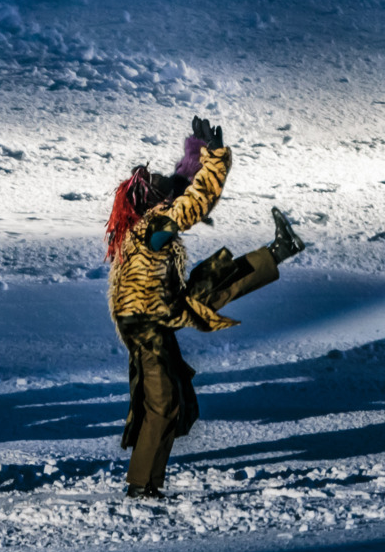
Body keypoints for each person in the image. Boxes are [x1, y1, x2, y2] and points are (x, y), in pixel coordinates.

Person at [105, 116, 305, 497]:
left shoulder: (141, 225)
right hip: (148, 325)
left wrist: (195, 154)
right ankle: (141, 486)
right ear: (152, 202)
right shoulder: (154, 227)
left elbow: (179, 188)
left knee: (207, 285)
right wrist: (216, 159)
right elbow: (195, 202)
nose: (167, 188)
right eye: (160, 189)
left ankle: (280, 250)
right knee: (163, 404)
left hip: (152, 315)